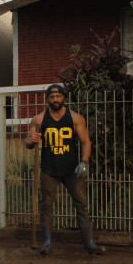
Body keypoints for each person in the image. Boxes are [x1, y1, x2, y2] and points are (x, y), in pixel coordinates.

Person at [25, 84, 103, 255]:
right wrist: (32, 139)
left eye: (58, 96)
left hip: (72, 170)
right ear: (47, 99)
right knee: (46, 205)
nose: (55, 100)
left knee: (82, 204)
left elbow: (86, 142)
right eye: (52, 97)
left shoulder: (75, 118)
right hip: (49, 169)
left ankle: (88, 242)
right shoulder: (38, 119)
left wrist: (84, 162)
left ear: (63, 98)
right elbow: (28, 143)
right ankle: (47, 242)